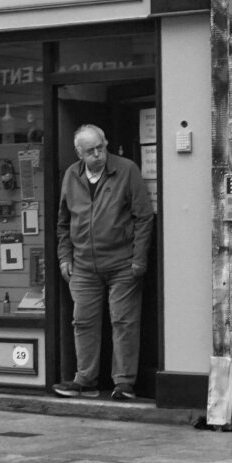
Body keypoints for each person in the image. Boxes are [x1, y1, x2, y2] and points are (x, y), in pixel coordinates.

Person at [53, 124, 154, 401]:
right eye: (91, 151)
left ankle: (123, 384)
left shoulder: (126, 169)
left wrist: (138, 259)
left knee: (124, 322)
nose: (98, 154)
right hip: (83, 265)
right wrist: (64, 258)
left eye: (101, 147)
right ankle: (85, 381)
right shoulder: (71, 176)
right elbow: (63, 222)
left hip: (122, 264)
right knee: (82, 322)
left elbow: (144, 216)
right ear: (79, 153)